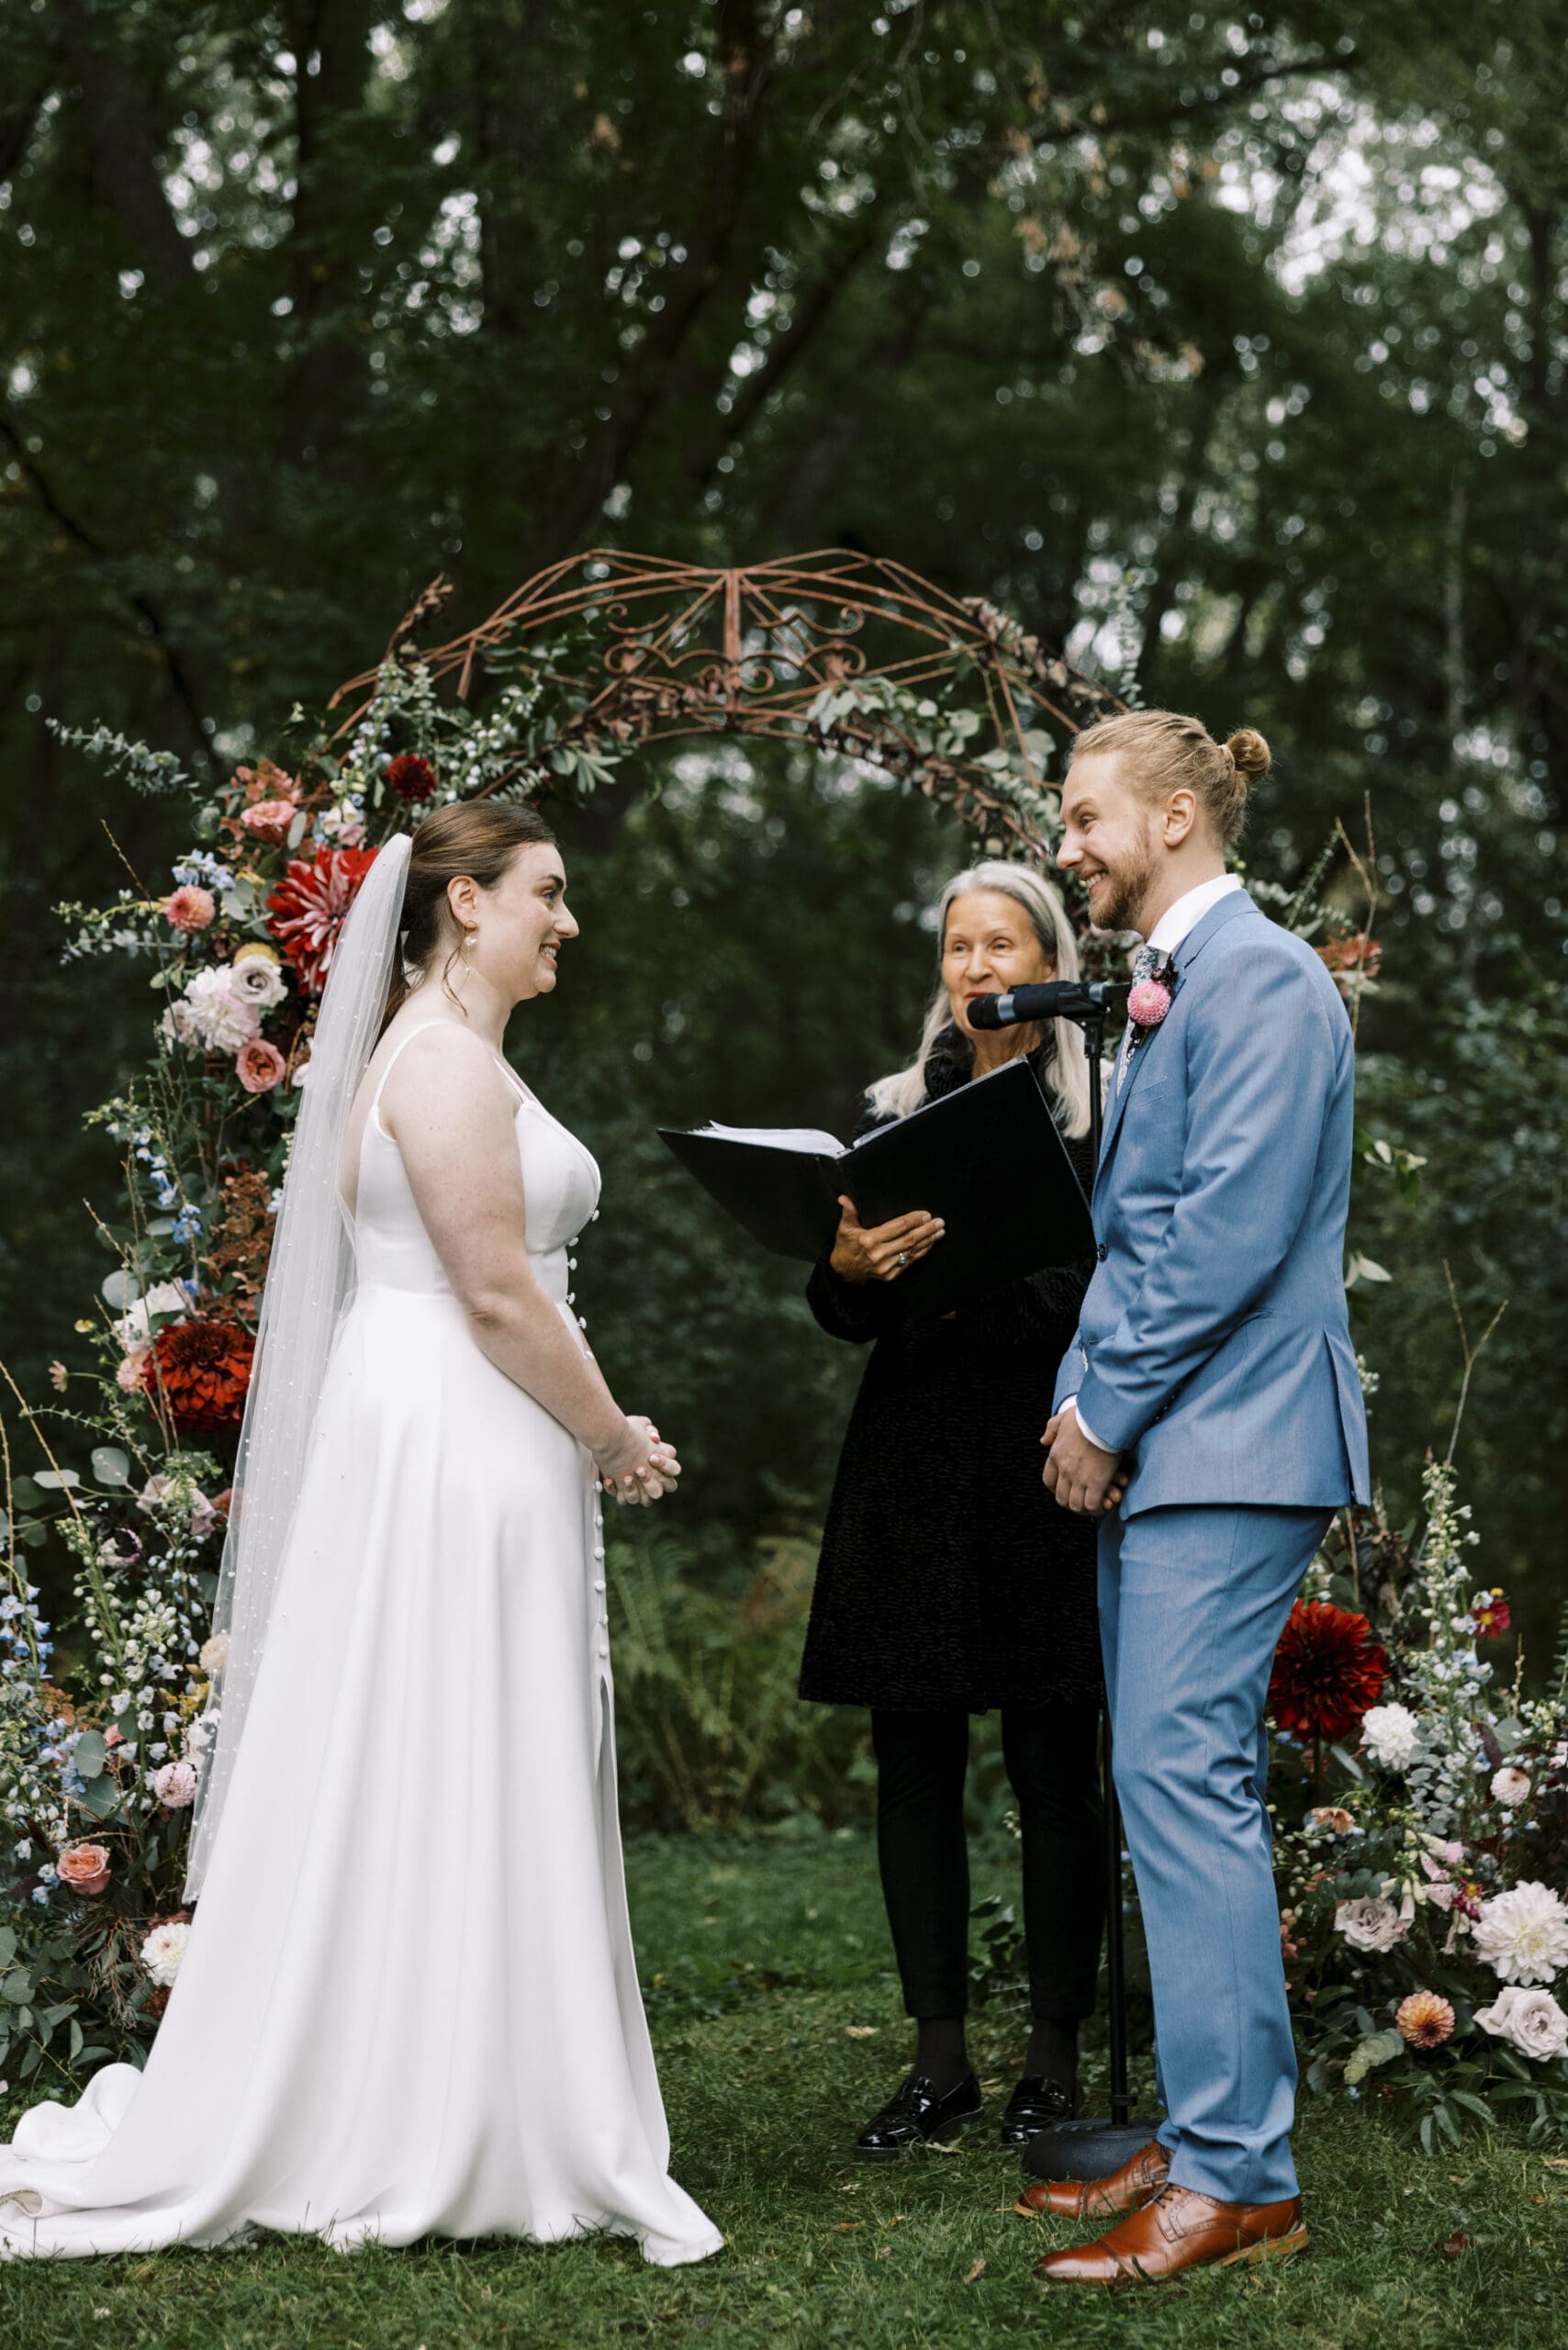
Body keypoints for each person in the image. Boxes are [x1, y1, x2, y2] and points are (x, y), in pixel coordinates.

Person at [0, 803, 722, 2266]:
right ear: (465, 903)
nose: (565, 921)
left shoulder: (424, 1048)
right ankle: (448, 2111)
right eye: (547, 894)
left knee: (441, 1744)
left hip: (442, 1430)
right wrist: (616, 1435)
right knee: (461, 1740)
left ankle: (466, 2078)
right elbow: (499, 1290)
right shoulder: (446, 1065)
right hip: (464, 1437)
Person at [1025, 711, 1370, 2286]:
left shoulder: (1270, 981)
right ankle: (1211, 2125)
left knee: (1184, 1788)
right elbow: (1141, 1235)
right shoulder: (1179, 992)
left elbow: (1226, 1236)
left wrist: (1101, 1409)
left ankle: (1242, 2177)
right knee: (1170, 1791)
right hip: (1178, 1449)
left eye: (1086, 818)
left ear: (1174, 817)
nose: (1068, 846)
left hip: (1229, 1441)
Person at [801, 862, 1106, 2160]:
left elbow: (1115, 1285)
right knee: (914, 1760)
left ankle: (1050, 2062)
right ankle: (938, 2065)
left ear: (1049, 960)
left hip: (1046, 1459)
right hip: (913, 1463)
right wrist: (849, 1269)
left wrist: (990, 1272)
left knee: (1053, 1764)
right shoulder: (885, 1113)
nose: (977, 968)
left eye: (1002, 943)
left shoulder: (1108, 1113)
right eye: (957, 946)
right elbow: (841, 1310)